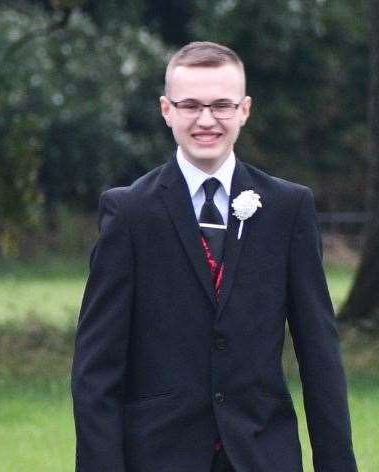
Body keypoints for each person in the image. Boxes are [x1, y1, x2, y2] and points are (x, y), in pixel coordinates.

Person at [71, 42, 358, 472]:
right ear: (166, 110)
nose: (206, 120)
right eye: (190, 106)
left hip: (262, 454)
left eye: (221, 105)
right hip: (159, 457)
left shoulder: (288, 208)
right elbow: (96, 372)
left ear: (244, 110)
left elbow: (319, 355)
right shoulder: (129, 213)